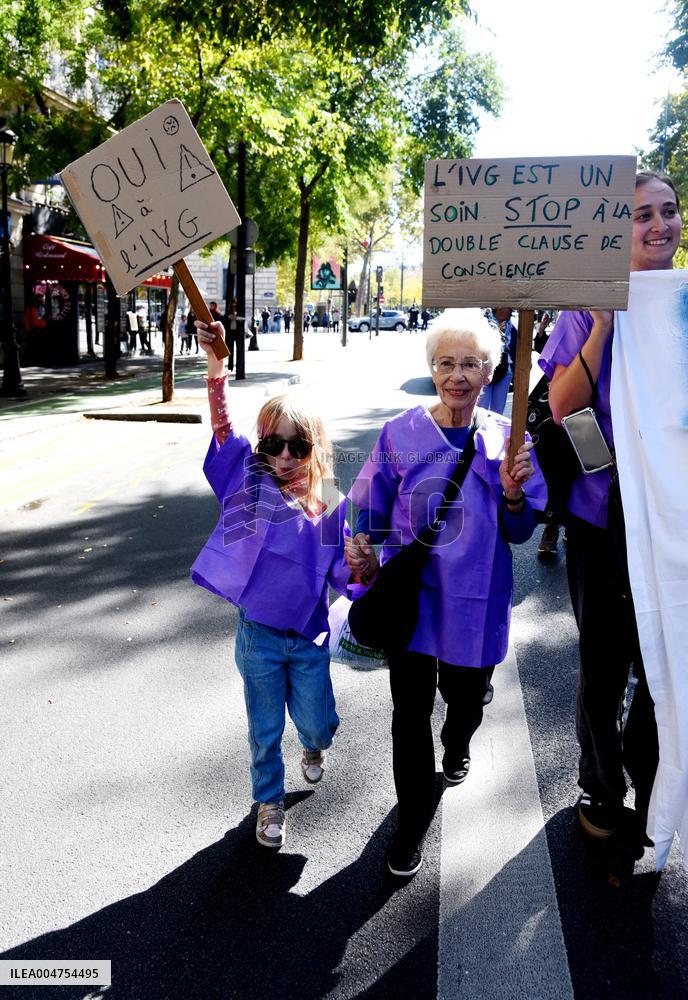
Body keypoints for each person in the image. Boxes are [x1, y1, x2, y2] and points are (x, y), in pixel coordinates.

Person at [346, 309, 546, 877]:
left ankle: (458, 742)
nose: (457, 375)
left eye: (471, 364)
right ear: (432, 368)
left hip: (475, 603)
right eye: (446, 363)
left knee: (464, 700)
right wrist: (361, 543)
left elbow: (520, 530)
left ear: (490, 372)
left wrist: (512, 494)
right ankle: (412, 820)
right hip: (411, 599)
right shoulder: (400, 432)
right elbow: (368, 505)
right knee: (409, 716)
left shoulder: (509, 439)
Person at [540, 170, 682, 843]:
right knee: (602, 663)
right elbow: (564, 407)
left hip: (673, 515)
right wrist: (602, 326)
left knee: (669, 654)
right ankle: (601, 787)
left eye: (668, 211)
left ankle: (654, 780)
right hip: (604, 517)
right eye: (641, 216)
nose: (657, 226)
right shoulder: (583, 307)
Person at [190, 318, 358, 851]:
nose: (284, 456)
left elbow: (343, 571)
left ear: (314, 449)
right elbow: (223, 430)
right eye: (273, 444)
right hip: (258, 636)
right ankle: (269, 799)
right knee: (264, 729)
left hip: (308, 638)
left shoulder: (329, 496)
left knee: (318, 721)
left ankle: (313, 746)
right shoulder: (249, 481)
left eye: (297, 446)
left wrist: (361, 563)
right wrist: (216, 365)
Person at [479, 307, 517, 414]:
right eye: (509, 307)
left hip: (504, 371)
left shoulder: (511, 326)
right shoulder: (482, 322)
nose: (512, 310)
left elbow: (514, 349)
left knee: (498, 412)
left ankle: (493, 430)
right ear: (500, 307)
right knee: (481, 409)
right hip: (484, 370)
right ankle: (480, 430)